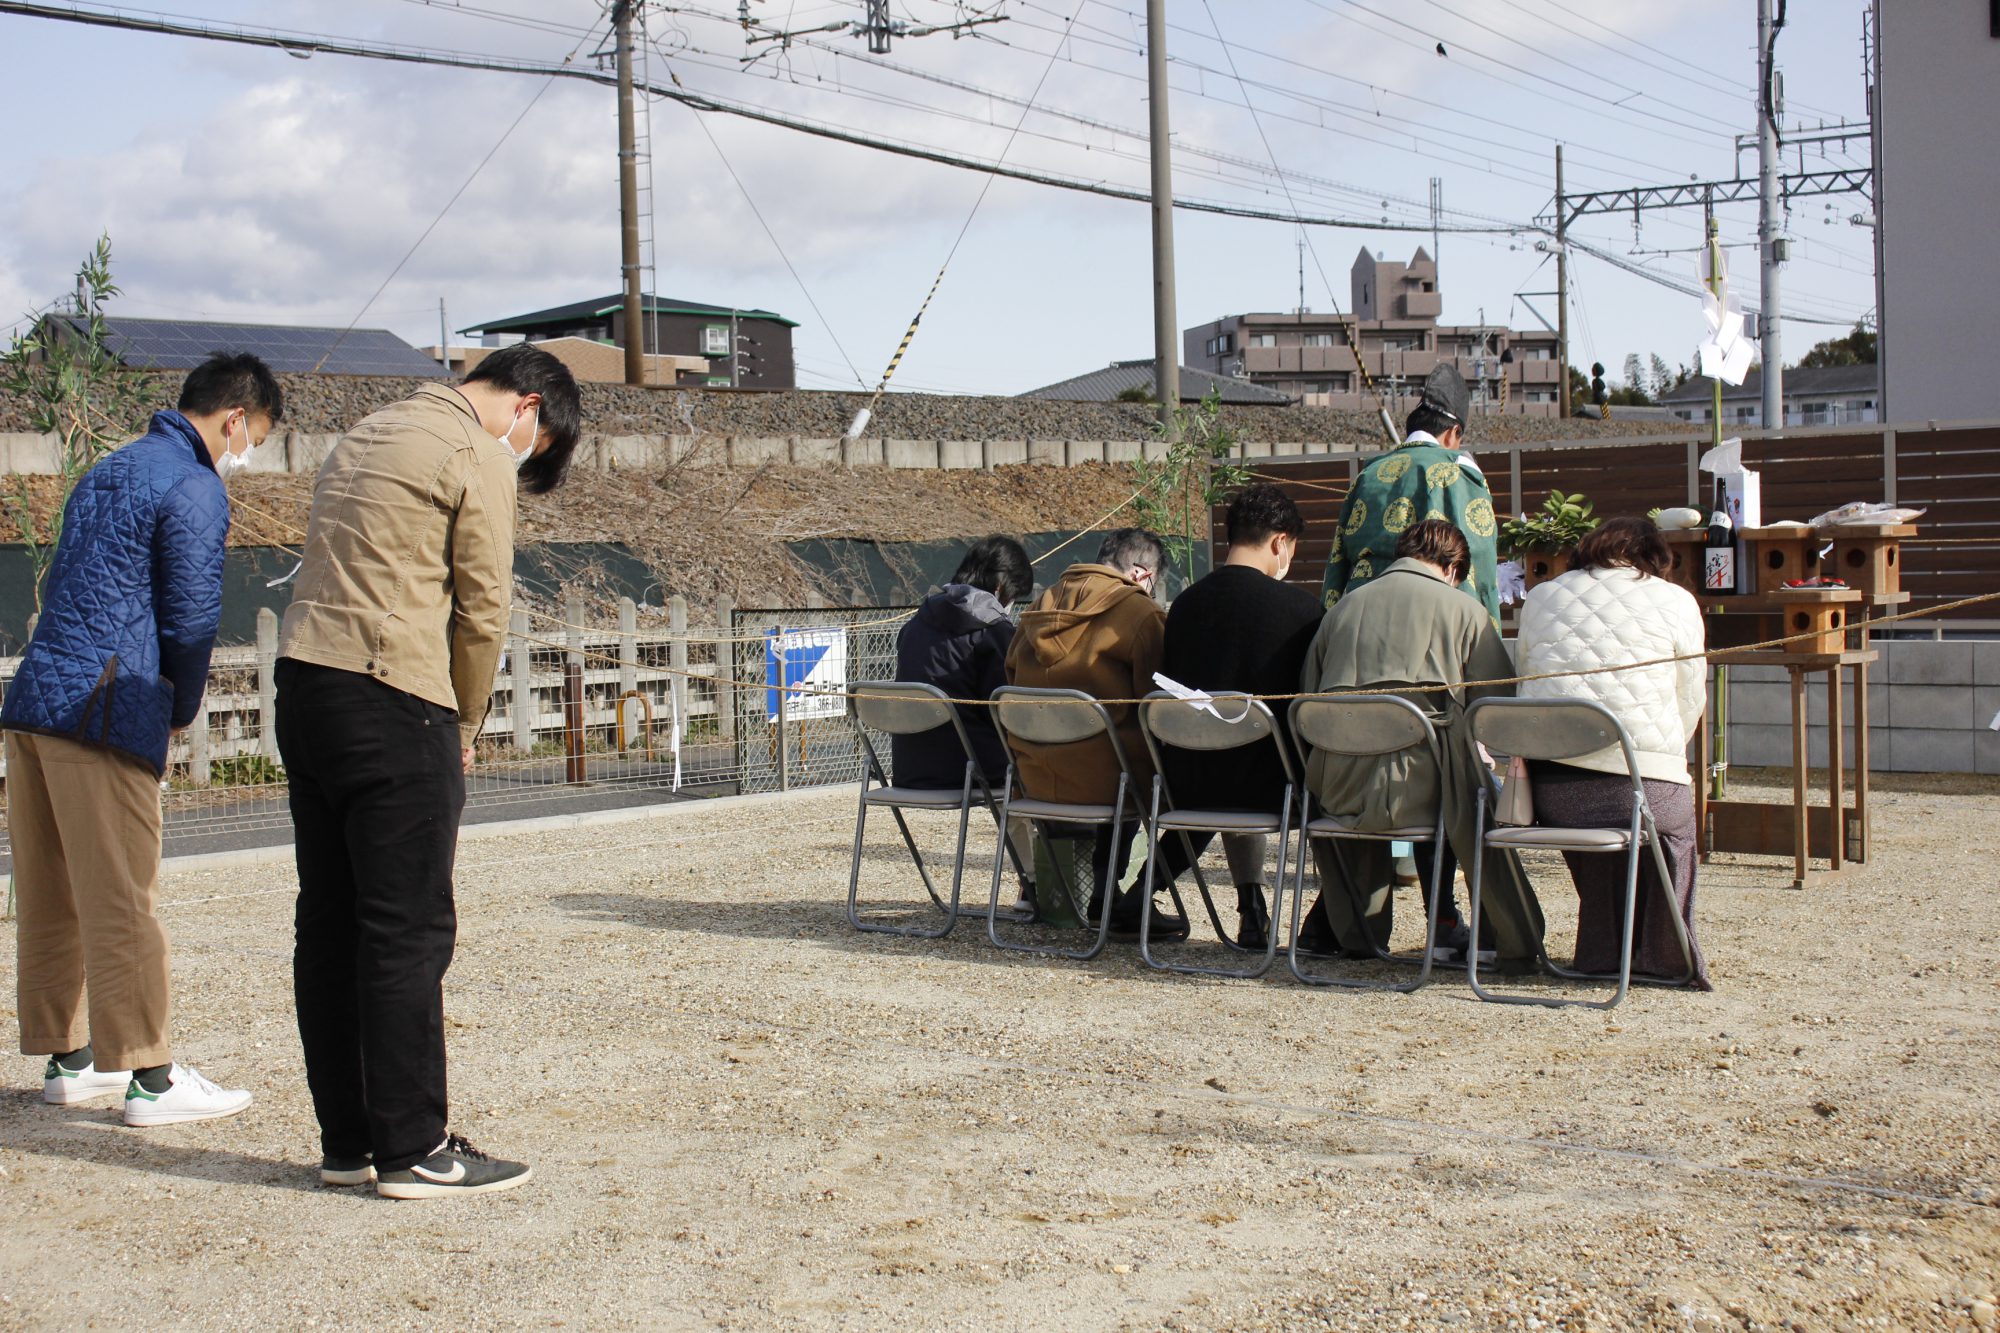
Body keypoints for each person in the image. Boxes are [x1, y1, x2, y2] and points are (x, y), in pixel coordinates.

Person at [275, 343, 581, 1197]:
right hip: (391, 688)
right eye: (539, 445)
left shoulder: (368, 430)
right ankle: (413, 1144)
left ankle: (349, 1138)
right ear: (526, 407)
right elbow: (484, 604)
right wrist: (467, 721)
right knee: (406, 924)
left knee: (328, 920)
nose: (524, 459)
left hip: (305, 683)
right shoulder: (473, 449)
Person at [5, 351, 280, 1123]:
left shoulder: (110, 468)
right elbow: (190, 618)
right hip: (106, 706)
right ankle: (152, 1078)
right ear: (234, 419)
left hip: (37, 698)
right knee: (125, 893)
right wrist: (176, 709)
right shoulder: (194, 484)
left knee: (52, 888)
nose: (246, 452)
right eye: (251, 436)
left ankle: (70, 1057)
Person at [1296, 519, 1545, 971]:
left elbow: (1308, 703)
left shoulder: (1342, 610)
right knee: (1477, 788)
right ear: (1452, 568)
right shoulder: (1463, 611)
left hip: (1340, 790)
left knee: (1375, 757)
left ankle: (1359, 932)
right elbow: (1495, 713)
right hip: (1428, 793)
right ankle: (1508, 937)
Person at [1517, 517, 1712, 988]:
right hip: (1641, 785)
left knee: (1605, 832)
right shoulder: (1676, 600)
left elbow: (1524, 680)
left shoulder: (1542, 596)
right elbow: (1691, 699)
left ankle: (1602, 951)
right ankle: (1665, 956)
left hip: (1554, 792)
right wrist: (1662, 755)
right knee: (1674, 824)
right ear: (1655, 558)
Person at [1156, 484, 1323, 949]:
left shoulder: (1183, 606)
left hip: (1187, 782)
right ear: (1280, 543)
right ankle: (1323, 920)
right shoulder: (1303, 611)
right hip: (1277, 787)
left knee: (1224, 763)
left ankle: (1245, 907)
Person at [1002, 527, 1183, 936]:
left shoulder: (1041, 604)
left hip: (1033, 781)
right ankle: (1111, 894)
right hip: (1107, 787)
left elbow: (1009, 679)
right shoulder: (1139, 614)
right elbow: (1155, 705)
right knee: (1137, 757)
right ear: (1141, 574)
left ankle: (1056, 893)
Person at [893, 534, 1037, 911]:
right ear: (1001, 585)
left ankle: (1035, 883)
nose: (1010, 606)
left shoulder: (917, 621)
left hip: (910, 766)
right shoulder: (993, 630)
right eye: (1013, 597)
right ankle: (1037, 884)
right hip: (970, 769)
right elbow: (1008, 708)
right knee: (1036, 770)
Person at [1320, 363, 1504, 627]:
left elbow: (1338, 560)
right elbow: (1479, 560)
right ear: (1454, 433)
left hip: (1362, 618)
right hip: (1432, 620)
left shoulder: (1367, 474)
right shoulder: (1459, 472)